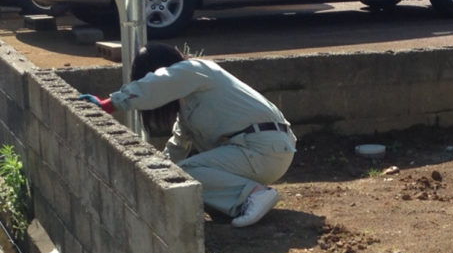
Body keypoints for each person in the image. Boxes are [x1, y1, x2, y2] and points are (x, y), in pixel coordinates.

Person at [80, 43, 296, 227]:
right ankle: (244, 197)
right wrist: (157, 176)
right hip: (263, 151)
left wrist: (109, 104)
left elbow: (156, 84)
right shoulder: (190, 102)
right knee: (181, 173)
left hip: (262, 150)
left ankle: (253, 194)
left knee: (188, 172)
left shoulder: (192, 68)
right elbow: (178, 144)